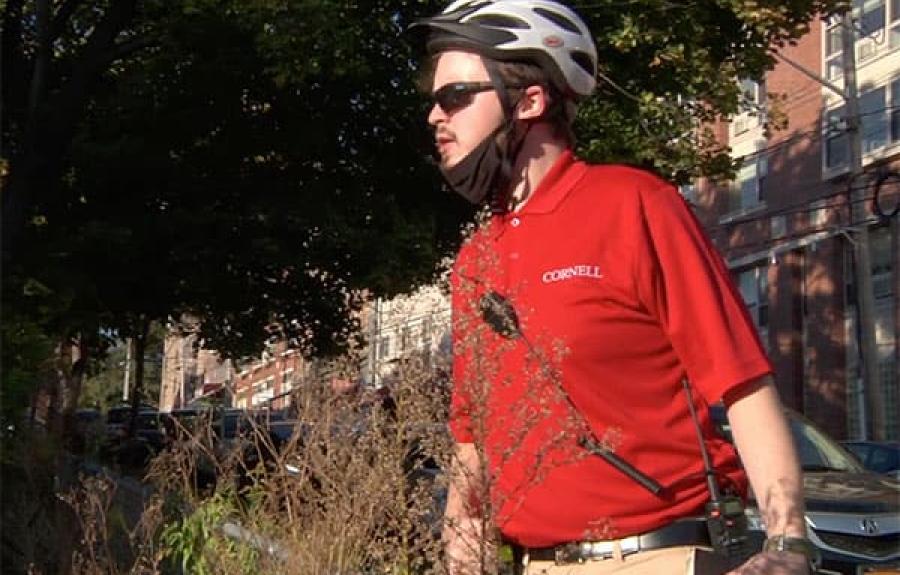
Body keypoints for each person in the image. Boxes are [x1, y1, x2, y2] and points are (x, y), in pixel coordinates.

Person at [411, 1, 815, 574]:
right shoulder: (475, 260)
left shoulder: (633, 205)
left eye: (454, 96)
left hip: (657, 555)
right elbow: (471, 434)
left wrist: (788, 542)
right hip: (534, 563)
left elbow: (741, 379)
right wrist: (463, 535)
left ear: (530, 100)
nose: (434, 115)